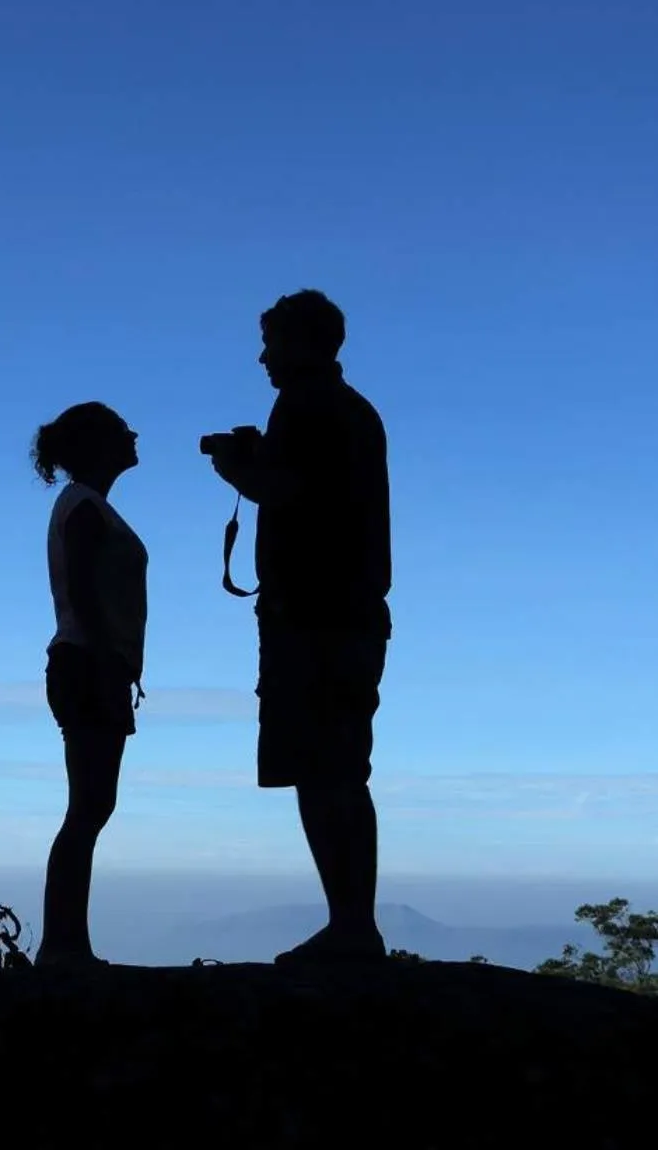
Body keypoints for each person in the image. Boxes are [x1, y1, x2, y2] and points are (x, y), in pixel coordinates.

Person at [206, 289, 392, 963]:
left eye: (272, 343)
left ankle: (351, 927)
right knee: (337, 767)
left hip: (317, 617)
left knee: (325, 769)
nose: (262, 357)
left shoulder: (310, 405)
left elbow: (289, 491)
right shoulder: (344, 409)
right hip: (343, 615)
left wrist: (236, 469)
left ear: (304, 343)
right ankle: (353, 923)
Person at [32, 401, 146, 967]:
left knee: (92, 805)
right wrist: (108, 664)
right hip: (87, 664)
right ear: (99, 445)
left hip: (88, 663)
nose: (134, 434)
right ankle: (62, 946)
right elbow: (81, 590)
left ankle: (66, 944)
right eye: (122, 429)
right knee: (89, 807)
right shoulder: (83, 506)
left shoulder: (86, 505)